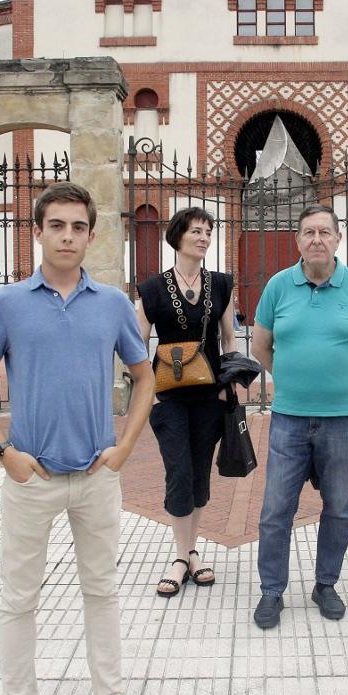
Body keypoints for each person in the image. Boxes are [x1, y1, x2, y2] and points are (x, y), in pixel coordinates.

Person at [0, 182, 157, 695]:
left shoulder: (113, 304)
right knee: (20, 598)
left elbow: (144, 377)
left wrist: (124, 447)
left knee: (101, 593)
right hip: (31, 476)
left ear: (92, 235)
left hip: (97, 474)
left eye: (78, 227)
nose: (67, 236)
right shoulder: (7, 304)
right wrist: (3, 451)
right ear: (37, 231)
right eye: (57, 226)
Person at [251, 204, 348, 629]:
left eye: (324, 232)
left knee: (339, 507)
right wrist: (292, 379)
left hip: (345, 419)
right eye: (308, 232)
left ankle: (325, 583)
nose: (316, 239)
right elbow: (260, 347)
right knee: (276, 508)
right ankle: (272, 590)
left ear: (337, 240)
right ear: (297, 241)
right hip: (290, 418)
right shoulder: (277, 286)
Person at [136, 206, 237, 596]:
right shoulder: (152, 289)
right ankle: (181, 558)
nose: (204, 237)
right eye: (196, 231)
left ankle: (190, 552)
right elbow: (135, 344)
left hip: (210, 395)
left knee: (198, 472)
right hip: (169, 398)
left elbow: (229, 340)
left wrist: (230, 383)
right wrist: (148, 394)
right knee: (178, 471)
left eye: (208, 232)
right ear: (177, 237)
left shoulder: (222, 284)